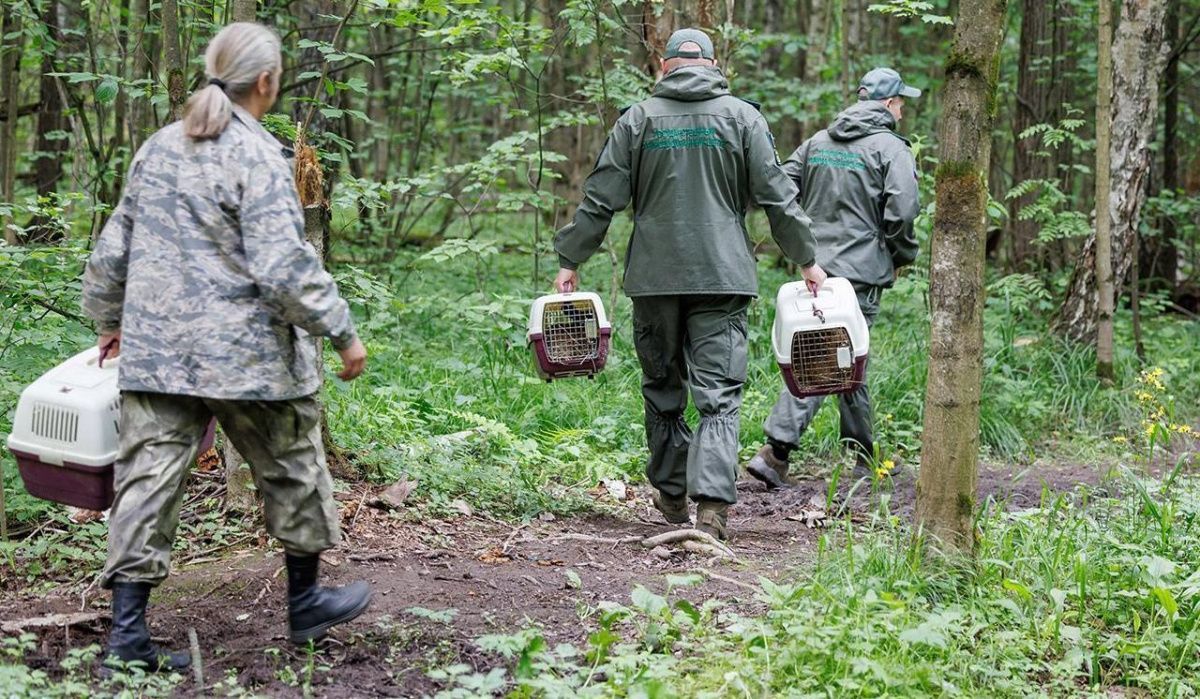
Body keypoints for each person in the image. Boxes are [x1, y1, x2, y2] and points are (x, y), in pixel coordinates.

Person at [81, 23, 371, 672]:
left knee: (145, 483)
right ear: (266, 81)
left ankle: (126, 638)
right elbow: (283, 267)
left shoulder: (158, 147)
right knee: (293, 466)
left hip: (160, 355)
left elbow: (114, 243)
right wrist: (341, 330)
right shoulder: (258, 155)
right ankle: (306, 603)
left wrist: (108, 317)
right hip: (248, 359)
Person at [553, 29, 826, 541]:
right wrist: (807, 258)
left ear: (664, 66)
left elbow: (601, 197)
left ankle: (673, 492)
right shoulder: (743, 118)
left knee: (662, 386)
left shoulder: (637, 120)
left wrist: (572, 258)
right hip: (723, 276)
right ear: (714, 65)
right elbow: (778, 197)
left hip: (654, 277)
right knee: (718, 393)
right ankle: (713, 508)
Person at [746, 67, 921, 490]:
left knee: (846, 356)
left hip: (817, 269)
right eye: (901, 103)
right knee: (831, 358)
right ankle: (776, 451)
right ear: (888, 104)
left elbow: (780, 186)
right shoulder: (891, 149)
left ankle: (862, 454)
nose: (902, 111)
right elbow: (902, 212)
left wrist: (802, 242)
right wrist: (901, 255)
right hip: (860, 273)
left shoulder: (818, 142)